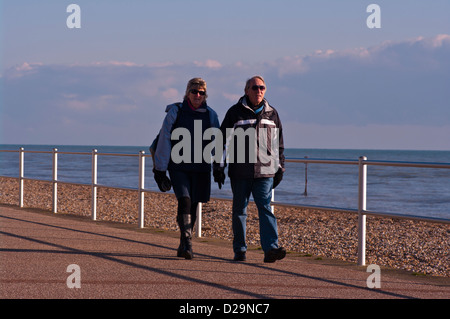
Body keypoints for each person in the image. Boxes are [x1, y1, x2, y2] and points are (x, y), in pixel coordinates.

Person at [214, 75, 286, 263]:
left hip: (265, 172)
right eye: (254, 88)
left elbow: (279, 145)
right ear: (246, 91)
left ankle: (271, 249)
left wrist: (280, 168)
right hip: (240, 172)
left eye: (262, 87)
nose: (259, 91)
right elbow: (222, 141)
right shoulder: (234, 113)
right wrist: (219, 167)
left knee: (265, 208)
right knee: (240, 210)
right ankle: (240, 250)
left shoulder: (272, 114)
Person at [153, 78, 220, 259]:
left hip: (201, 167)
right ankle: (188, 242)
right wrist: (159, 170)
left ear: (205, 95)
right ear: (187, 93)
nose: (197, 95)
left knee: (195, 203)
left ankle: (183, 244)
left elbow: (217, 142)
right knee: (185, 201)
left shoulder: (211, 115)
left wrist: (219, 166)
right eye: (194, 92)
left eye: (201, 93)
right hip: (179, 166)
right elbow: (164, 139)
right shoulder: (176, 112)